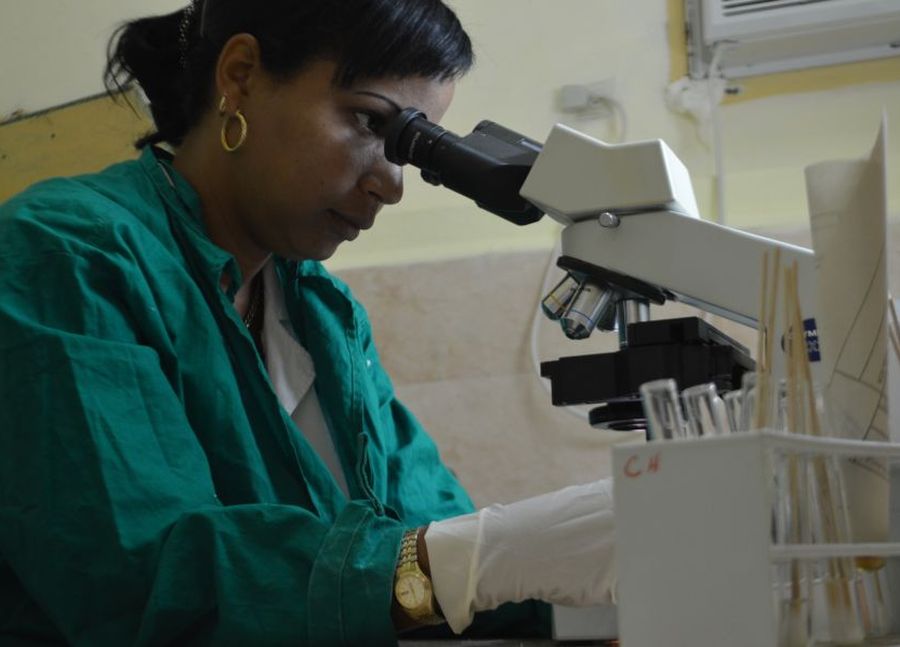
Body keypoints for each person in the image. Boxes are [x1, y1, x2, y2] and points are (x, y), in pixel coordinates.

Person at [0, 1, 616, 644]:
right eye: (370, 121)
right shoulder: (67, 256)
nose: (393, 183)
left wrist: (584, 578)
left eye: (411, 147)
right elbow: (146, 582)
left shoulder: (322, 311)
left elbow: (423, 542)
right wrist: (475, 562)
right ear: (240, 76)